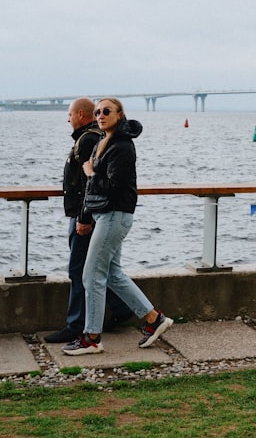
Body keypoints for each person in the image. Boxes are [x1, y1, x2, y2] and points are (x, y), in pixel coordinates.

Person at [63, 97, 174, 355]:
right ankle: (153, 319)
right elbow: (91, 191)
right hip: (103, 215)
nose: (100, 115)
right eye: (98, 111)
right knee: (112, 274)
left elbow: (113, 186)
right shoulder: (103, 143)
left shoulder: (123, 147)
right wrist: (85, 216)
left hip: (115, 215)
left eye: (107, 111)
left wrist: (91, 173)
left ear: (120, 115)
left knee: (91, 274)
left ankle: (91, 337)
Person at [45, 97, 135, 344]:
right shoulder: (94, 139)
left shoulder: (88, 141)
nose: (68, 118)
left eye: (70, 114)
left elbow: (89, 184)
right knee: (98, 269)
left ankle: (76, 326)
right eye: (98, 112)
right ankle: (121, 308)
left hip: (86, 216)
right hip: (88, 214)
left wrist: (83, 217)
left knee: (80, 271)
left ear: (80, 115)